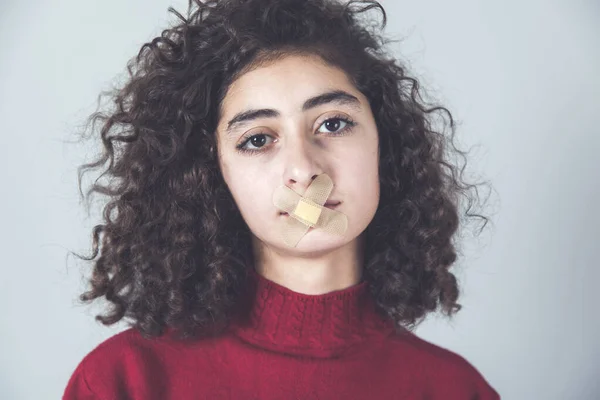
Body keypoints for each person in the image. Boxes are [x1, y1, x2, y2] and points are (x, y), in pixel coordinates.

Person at [63, 0, 499, 398]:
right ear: (213, 175)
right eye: (257, 139)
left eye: (332, 124)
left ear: (385, 146)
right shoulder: (122, 381)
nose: (304, 168)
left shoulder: (455, 389)